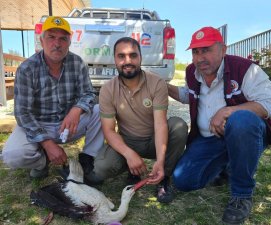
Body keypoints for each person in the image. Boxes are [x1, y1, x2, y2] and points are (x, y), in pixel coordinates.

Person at [167, 27, 271, 224]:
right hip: (210, 139)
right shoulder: (192, 71)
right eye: (195, 51)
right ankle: (227, 165)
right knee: (182, 180)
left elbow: (270, 105)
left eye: (206, 50)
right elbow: (188, 95)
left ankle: (242, 194)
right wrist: (162, 86)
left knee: (241, 120)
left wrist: (226, 111)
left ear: (223, 49)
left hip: (243, 133)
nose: (200, 58)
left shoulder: (245, 69)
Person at [2, 16, 104, 185]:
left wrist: (77, 109)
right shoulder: (27, 68)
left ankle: (87, 159)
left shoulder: (77, 63)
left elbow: (88, 93)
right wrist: (48, 144)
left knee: (101, 110)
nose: (57, 43)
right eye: (51, 37)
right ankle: (43, 160)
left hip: (68, 125)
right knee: (12, 155)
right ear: (42, 41)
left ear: (69, 43)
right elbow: (23, 113)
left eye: (63, 38)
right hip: (39, 123)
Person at [94, 37, 188, 203]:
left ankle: (164, 177)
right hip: (128, 141)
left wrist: (159, 161)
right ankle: (133, 171)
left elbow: (160, 125)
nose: (127, 61)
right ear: (114, 59)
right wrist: (129, 154)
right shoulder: (107, 90)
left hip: (153, 140)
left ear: (140, 58)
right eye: (121, 56)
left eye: (133, 55)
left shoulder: (157, 83)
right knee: (101, 167)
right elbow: (108, 130)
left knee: (178, 126)